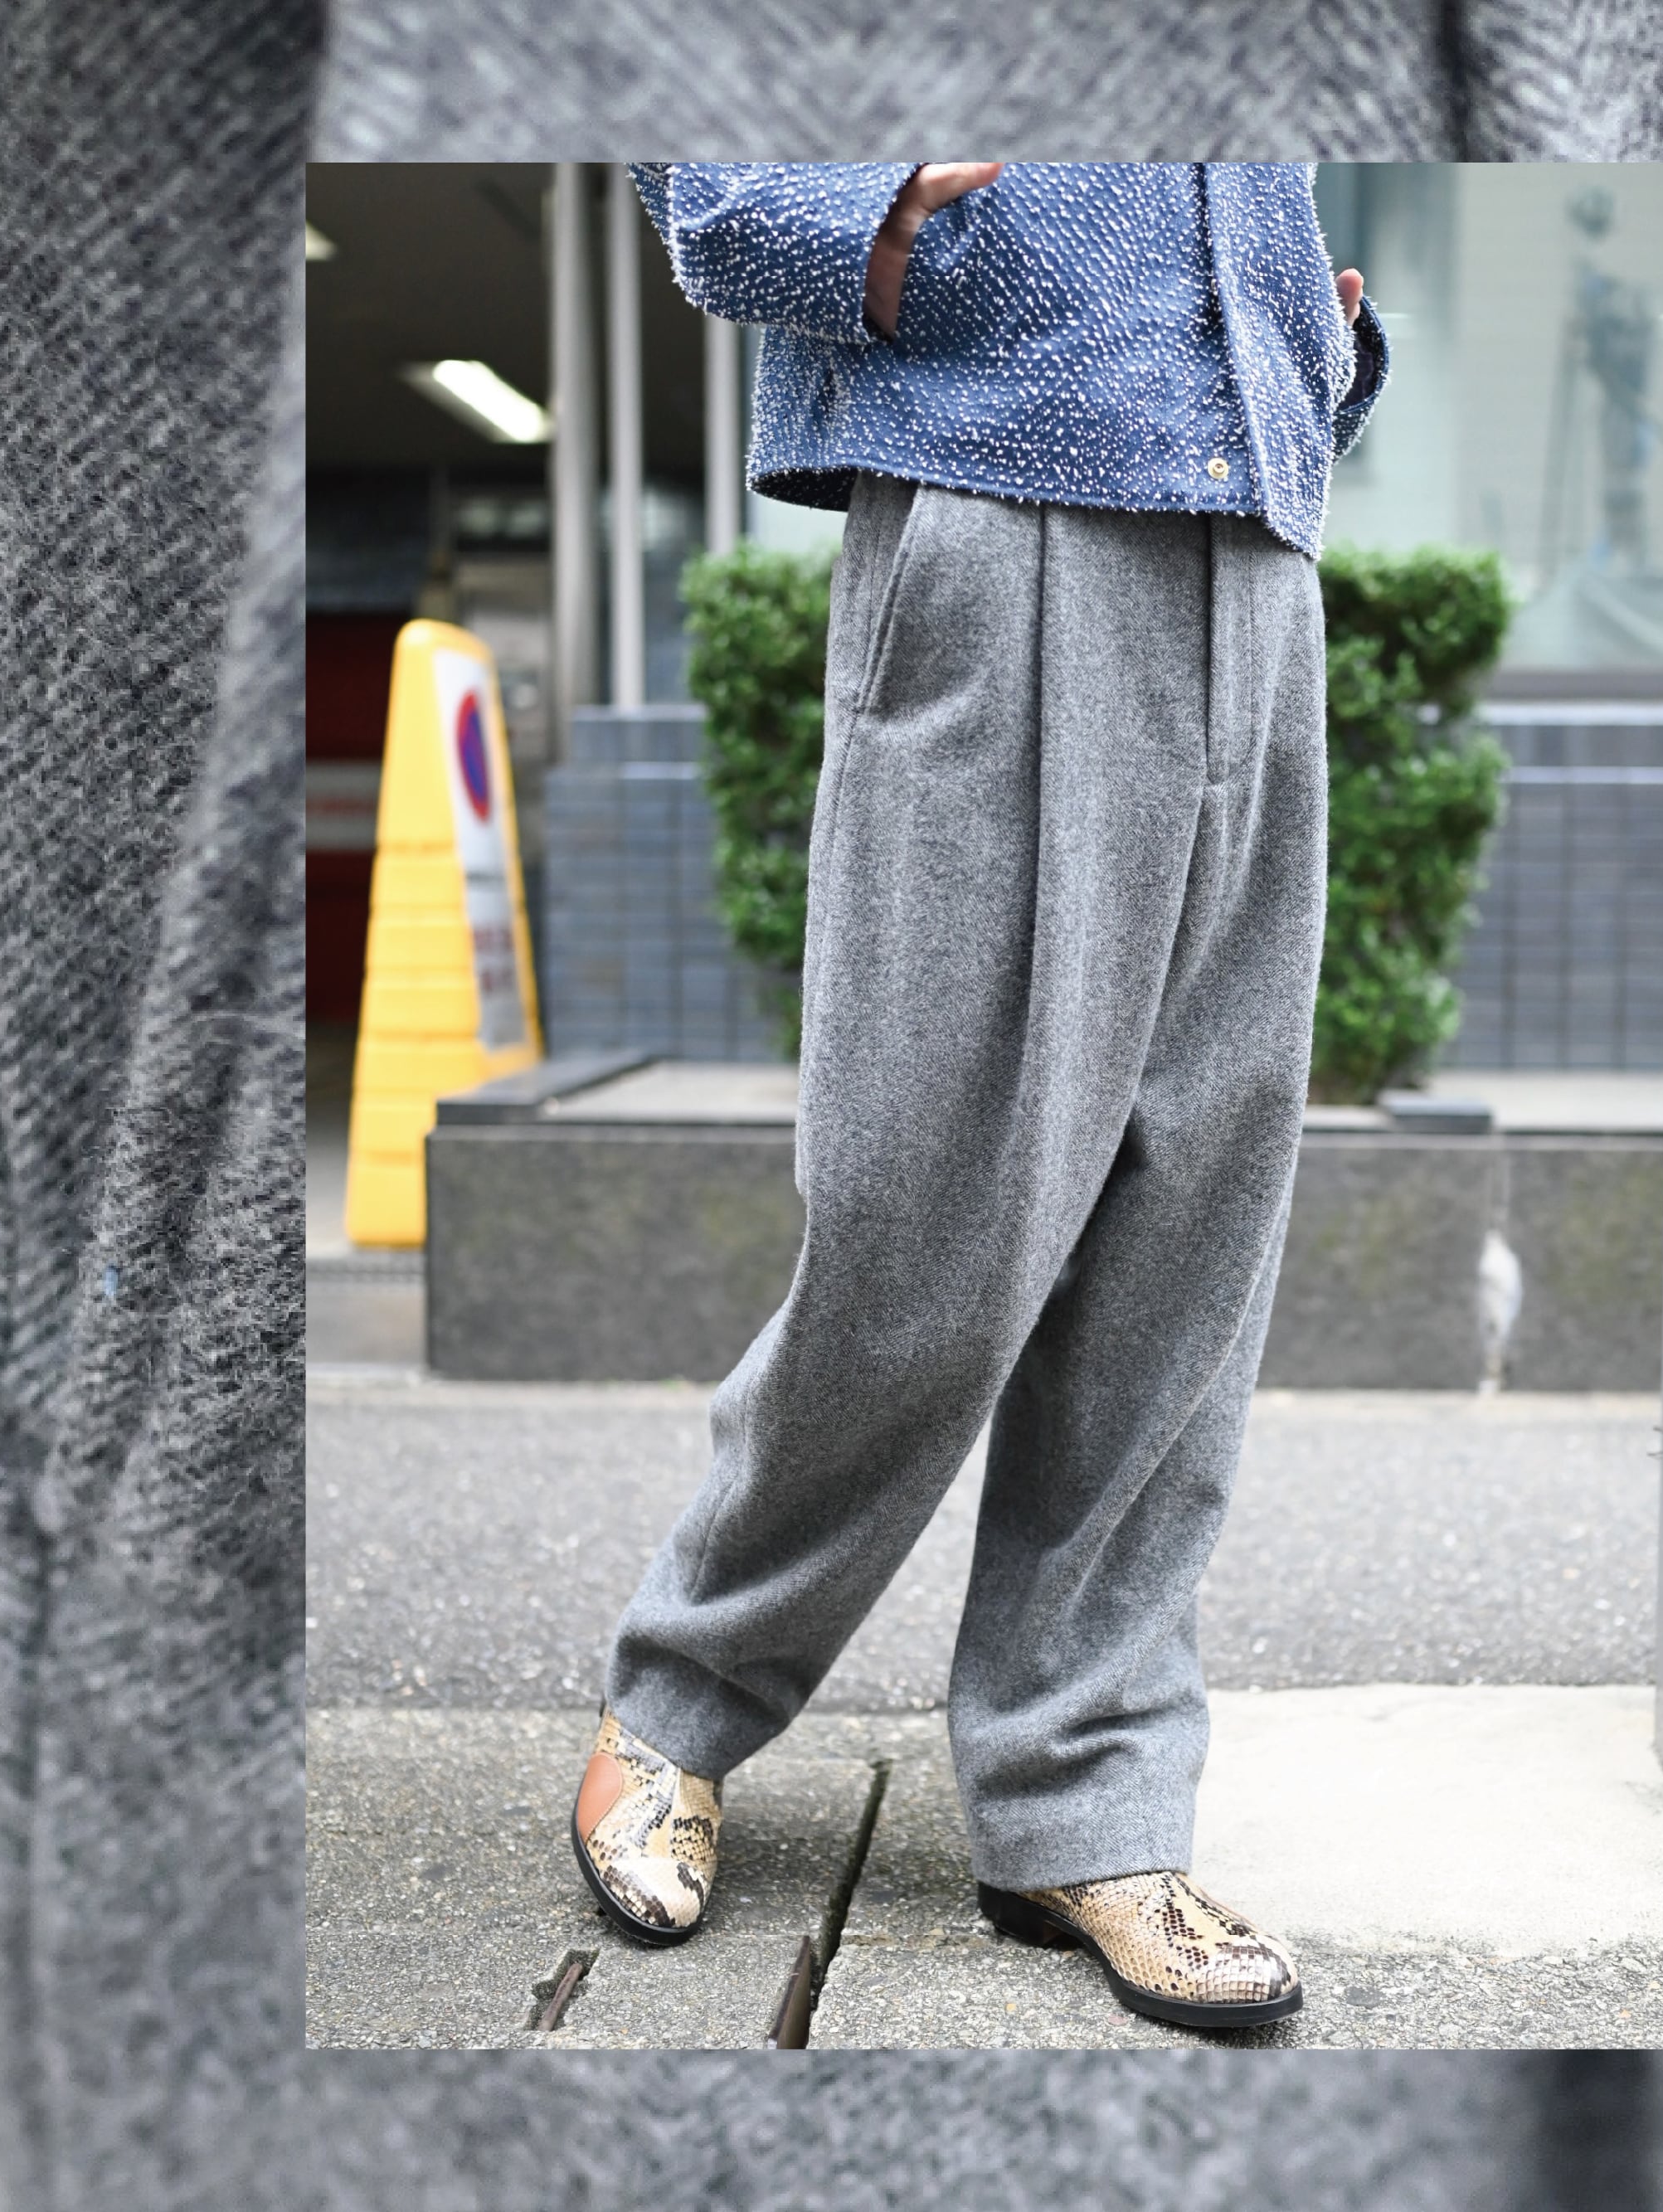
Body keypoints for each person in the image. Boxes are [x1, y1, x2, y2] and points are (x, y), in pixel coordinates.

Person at [571, 159, 1387, 2033]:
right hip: (1005, 503)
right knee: (925, 1217)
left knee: (1186, 1230)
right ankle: (681, 1693)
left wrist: (1303, 333)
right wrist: (853, 218)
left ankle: (1080, 1803)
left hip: (1253, 543)